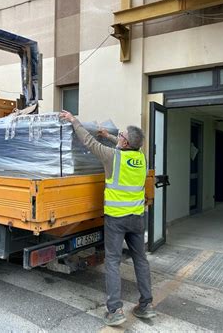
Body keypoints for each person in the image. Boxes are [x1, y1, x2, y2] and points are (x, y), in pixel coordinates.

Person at [59, 110, 155, 326]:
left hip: (116, 219)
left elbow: (88, 141)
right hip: (137, 218)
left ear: (125, 141)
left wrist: (74, 121)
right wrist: (110, 135)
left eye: (120, 135)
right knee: (140, 259)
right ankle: (147, 305)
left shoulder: (113, 157)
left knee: (112, 261)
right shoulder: (140, 157)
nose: (118, 136)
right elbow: (126, 144)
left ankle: (115, 310)